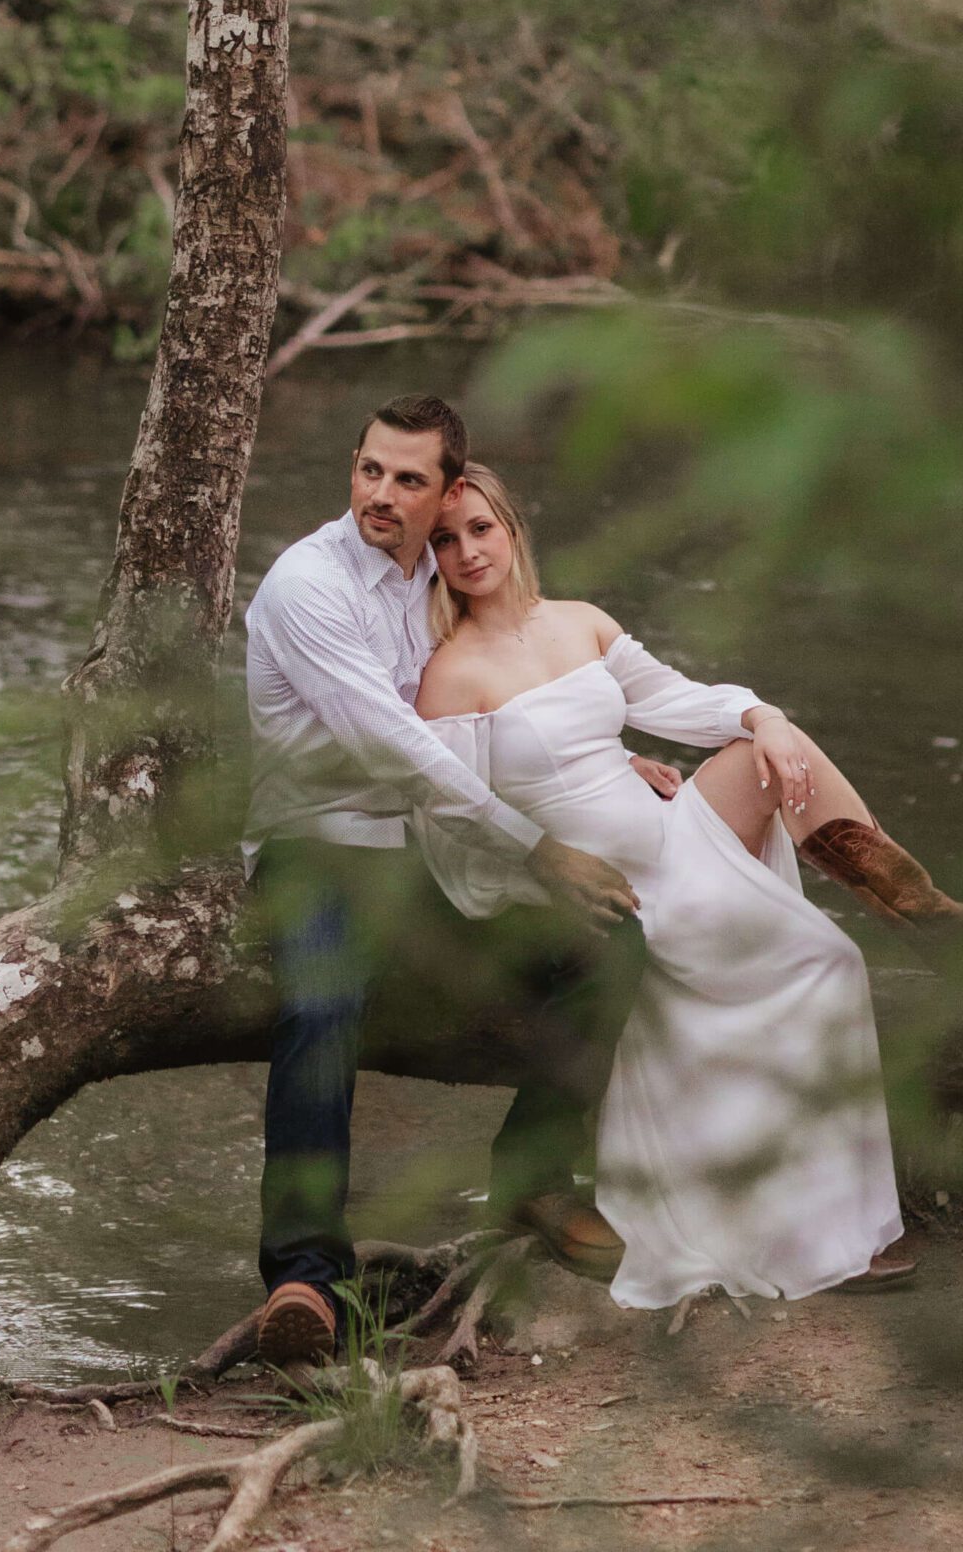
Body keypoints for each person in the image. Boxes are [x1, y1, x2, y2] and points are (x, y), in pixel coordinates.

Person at [414, 465, 963, 1311]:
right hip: (618, 890)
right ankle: (811, 1238)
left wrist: (764, 718)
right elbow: (454, 824)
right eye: (445, 541)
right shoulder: (449, 676)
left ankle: (924, 910)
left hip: (673, 834)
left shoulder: (579, 623)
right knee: (827, 962)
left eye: (480, 529)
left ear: (513, 530)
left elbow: (675, 698)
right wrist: (544, 885)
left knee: (767, 750)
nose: (467, 551)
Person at [244, 393, 675, 1371]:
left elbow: (508, 713)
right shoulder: (305, 585)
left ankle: (531, 1174)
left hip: (429, 845)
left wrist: (613, 764)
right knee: (321, 1004)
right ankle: (303, 1274)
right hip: (318, 843)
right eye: (368, 470)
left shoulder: (430, 583)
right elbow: (395, 746)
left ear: (444, 492)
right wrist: (533, 848)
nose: (379, 495)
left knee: (612, 943)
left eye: (406, 479)